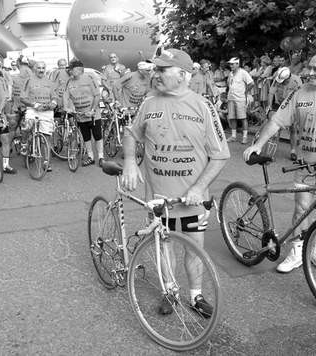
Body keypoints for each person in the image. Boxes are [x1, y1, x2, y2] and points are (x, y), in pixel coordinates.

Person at [121, 48, 230, 316]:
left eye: (161, 70)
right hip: (158, 197)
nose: (154, 74)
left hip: (191, 198)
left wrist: (198, 187)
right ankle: (170, 292)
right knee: (164, 244)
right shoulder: (148, 102)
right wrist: (130, 162)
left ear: (182, 75)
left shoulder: (203, 106)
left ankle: (196, 295)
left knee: (194, 248)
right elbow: (131, 134)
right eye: (154, 69)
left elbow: (220, 155)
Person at [244, 53, 316, 273]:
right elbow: (277, 121)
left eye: (315, 69)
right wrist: (258, 144)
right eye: (309, 68)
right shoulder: (300, 93)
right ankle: (298, 249)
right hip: (306, 166)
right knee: (301, 208)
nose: (309, 72)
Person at [63, 59, 104, 166]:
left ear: (78, 69)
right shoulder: (69, 81)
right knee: (86, 136)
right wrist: (66, 107)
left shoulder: (89, 78)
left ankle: (101, 157)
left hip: (93, 114)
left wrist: (93, 110)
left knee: (97, 135)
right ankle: (91, 157)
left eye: (71, 69)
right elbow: (66, 95)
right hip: (80, 114)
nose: (70, 71)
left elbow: (97, 95)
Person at [20, 61, 57, 171]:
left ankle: (46, 162)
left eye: (43, 68)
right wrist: (33, 104)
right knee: (28, 125)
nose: (41, 70)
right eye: (39, 68)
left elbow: (55, 97)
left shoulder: (50, 81)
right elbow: (23, 98)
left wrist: (53, 103)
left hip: (46, 110)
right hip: (33, 109)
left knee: (46, 137)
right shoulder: (29, 80)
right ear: (34, 69)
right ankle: (24, 143)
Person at [267, 67, 302, 161]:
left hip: (292, 106)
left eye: (283, 81)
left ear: (288, 78)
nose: (281, 83)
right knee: (276, 127)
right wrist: (269, 106)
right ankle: (271, 152)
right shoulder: (277, 78)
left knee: (293, 128)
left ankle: (293, 151)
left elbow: (300, 97)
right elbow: (271, 93)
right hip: (279, 103)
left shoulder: (296, 81)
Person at [226, 57, 254, 144]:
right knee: (232, 117)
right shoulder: (230, 73)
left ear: (237, 64)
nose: (231, 66)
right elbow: (228, 83)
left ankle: (245, 137)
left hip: (240, 98)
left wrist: (245, 91)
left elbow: (251, 83)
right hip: (231, 98)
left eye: (232, 64)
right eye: (230, 64)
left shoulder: (243, 72)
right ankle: (233, 136)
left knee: (243, 118)